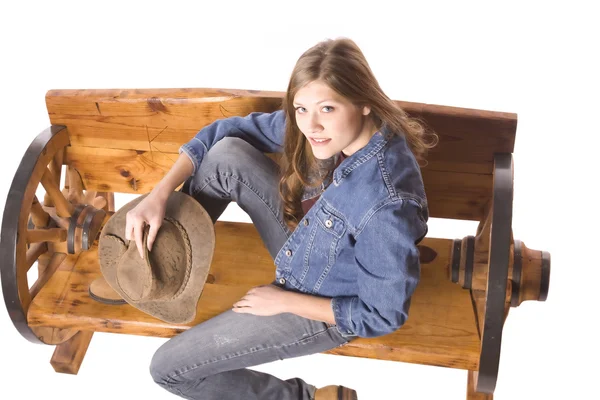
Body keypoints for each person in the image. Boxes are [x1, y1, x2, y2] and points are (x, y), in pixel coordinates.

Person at [125, 37, 437, 400]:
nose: (311, 126)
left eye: (328, 109)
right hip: (306, 246)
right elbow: (227, 131)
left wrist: (284, 301)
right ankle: (168, 253)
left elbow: (382, 315)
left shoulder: (385, 202)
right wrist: (159, 193)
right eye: (301, 108)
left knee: (169, 370)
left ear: (364, 102)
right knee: (226, 155)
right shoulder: (324, 131)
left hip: (320, 302)